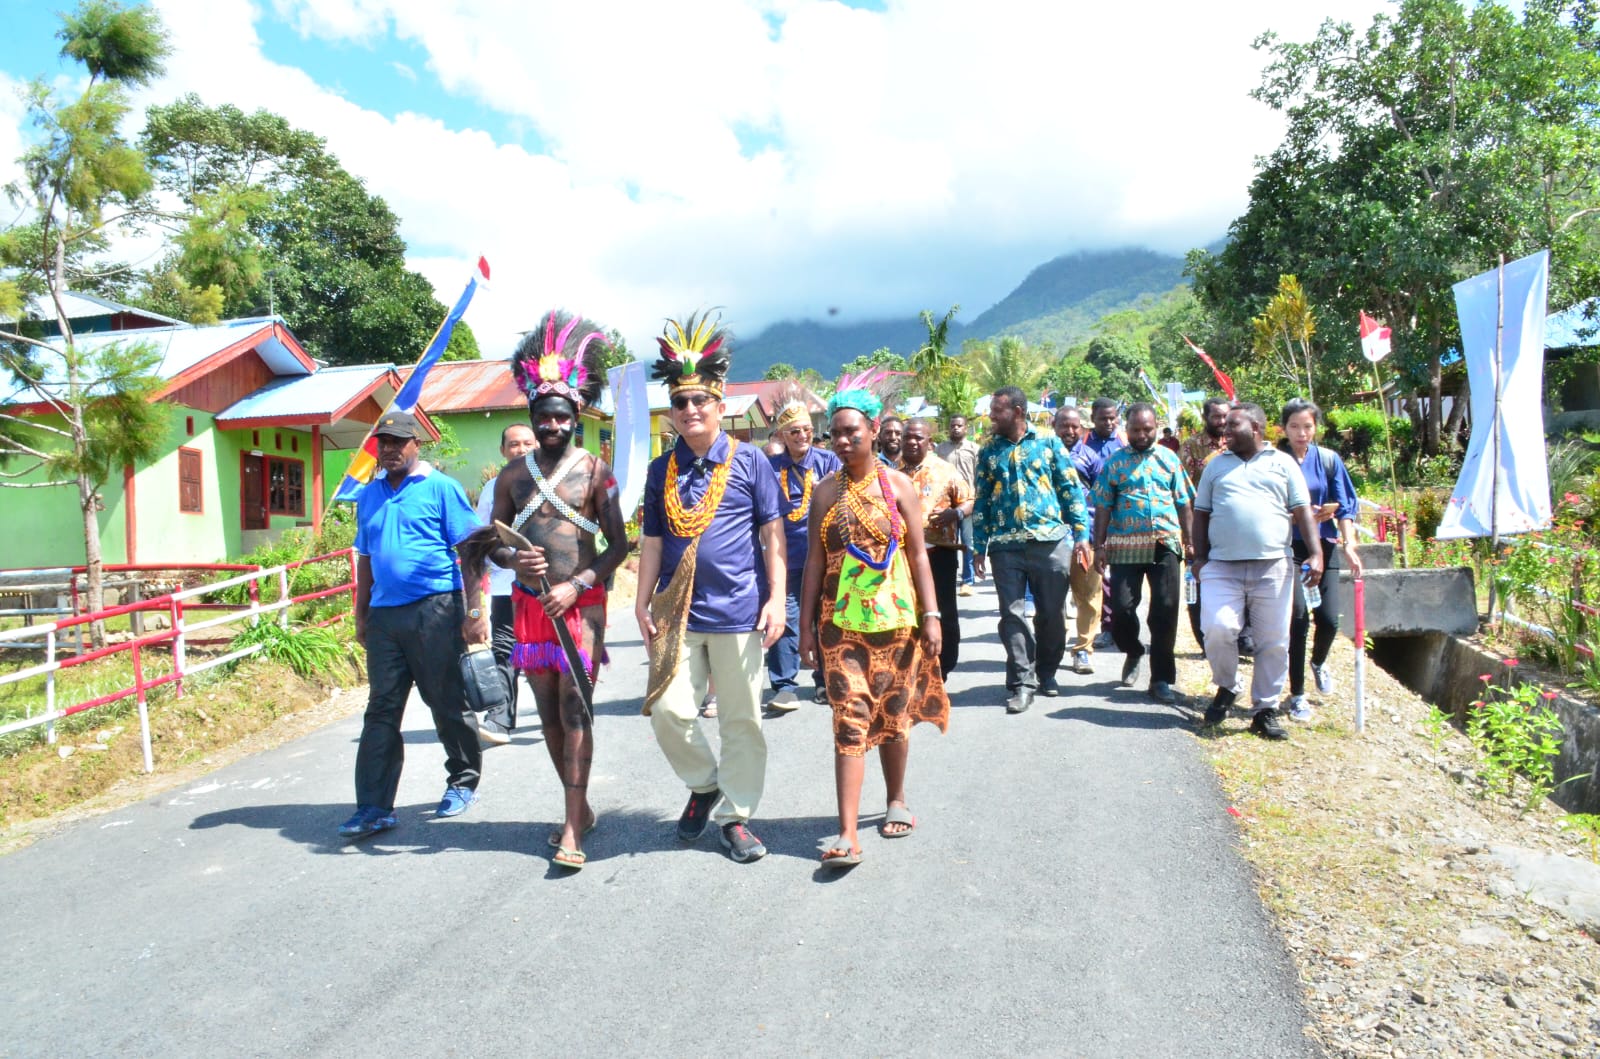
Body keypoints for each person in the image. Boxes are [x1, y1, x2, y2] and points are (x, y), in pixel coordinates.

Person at [462, 312, 627, 869]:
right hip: (532, 609)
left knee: (576, 710)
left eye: (562, 416)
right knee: (549, 715)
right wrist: (516, 559)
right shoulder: (513, 477)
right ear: (532, 418)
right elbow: (491, 542)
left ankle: (571, 830)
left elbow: (618, 546)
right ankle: (577, 809)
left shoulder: (597, 472)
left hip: (583, 609)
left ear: (575, 417)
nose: (553, 424)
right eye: (544, 416)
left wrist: (577, 584)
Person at [635, 312, 786, 864]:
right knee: (669, 711)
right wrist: (640, 599)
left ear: (720, 404)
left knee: (742, 720)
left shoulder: (750, 461)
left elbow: (772, 538)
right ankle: (704, 784)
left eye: (700, 400)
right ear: (670, 412)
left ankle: (736, 816)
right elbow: (652, 541)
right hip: (676, 613)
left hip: (740, 611)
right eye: (680, 403)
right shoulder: (661, 470)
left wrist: (775, 600)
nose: (691, 410)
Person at [799, 389, 949, 868]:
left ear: (872, 429)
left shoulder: (898, 486)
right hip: (838, 625)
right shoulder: (825, 492)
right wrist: (804, 629)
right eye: (836, 433)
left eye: (851, 432)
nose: (842, 441)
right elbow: (814, 563)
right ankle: (847, 833)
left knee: (894, 712)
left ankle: (896, 798)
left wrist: (932, 615)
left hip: (897, 622)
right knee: (849, 716)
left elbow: (919, 555)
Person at [339, 410, 487, 839]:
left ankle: (462, 782)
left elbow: (471, 552)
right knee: (381, 709)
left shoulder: (441, 488)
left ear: (416, 444)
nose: (388, 450)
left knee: (444, 700)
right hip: (386, 618)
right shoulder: (368, 496)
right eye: (382, 443)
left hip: (436, 609)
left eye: (396, 442)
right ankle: (373, 806)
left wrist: (474, 612)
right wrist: (362, 612)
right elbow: (365, 559)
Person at [1193, 403, 1323, 741]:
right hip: (1222, 566)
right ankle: (1227, 684)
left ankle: (1264, 710)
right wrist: (1199, 559)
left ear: (1256, 428)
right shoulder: (1215, 467)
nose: (1225, 430)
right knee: (1218, 629)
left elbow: (1302, 510)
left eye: (1233, 425)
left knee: (1273, 641)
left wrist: (1316, 552)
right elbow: (1201, 514)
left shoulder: (1283, 464)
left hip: (1273, 566)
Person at [972, 386, 1092, 713]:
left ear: (1018, 412)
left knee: (1051, 614)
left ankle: (1047, 672)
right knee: (1012, 615)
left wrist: (1081, 534)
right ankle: (1022, 682)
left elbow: (1070, 491)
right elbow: (981, 500)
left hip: (1050, 542)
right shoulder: (988, 452)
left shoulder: (1050, 445)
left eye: (998, 411)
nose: (992, 416)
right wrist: (978, 546)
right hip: (1005, 546)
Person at [1090, 403, 1193, 704]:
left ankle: (1161, 678)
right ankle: (1133, 649)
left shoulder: (1169, 459)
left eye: (1147, 429)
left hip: (1165, 545)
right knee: (1121, 610)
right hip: (1124, 546)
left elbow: (1184, 501)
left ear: (1156, 427)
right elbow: (1102, 506)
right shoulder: (1115, 463)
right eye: (1135, 430)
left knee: (1164, 611)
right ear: (1127, 428)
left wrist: (1189, 540)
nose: (1142, 435)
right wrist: (1099, 546)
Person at [1279, 398, 1364, 721]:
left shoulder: (1328, 460)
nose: (1302, 433)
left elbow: (1344, 507)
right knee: (1298, 619)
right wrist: (1297, 516)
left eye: (1308, 427)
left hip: (1324, 546)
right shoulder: (1274, 460)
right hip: (1288, 547)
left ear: (1316, 427)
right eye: (1295, 427)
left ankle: (1318, 662)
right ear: (1283, 428)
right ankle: (1297, 694)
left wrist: (1350, 544)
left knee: (1329, 619)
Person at [765, 388, 841, 710]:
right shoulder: (769, 468)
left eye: (807, 430)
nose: (802, 436)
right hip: (786, 558)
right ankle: (784, 686)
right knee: (784, 617)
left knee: (826, 617)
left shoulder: (829, 462)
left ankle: (825, 680)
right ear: (782, 435)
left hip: (825, 556)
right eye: (794, 431)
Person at [472, 423, 537, 746]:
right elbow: (482, 537)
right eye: (513, 444)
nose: (520, 449)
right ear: (502, 451)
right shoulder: (492, 489)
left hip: (547, 588)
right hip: (505, 588)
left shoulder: (555, 484)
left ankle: (565, 716)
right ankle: (499, 720)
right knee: (504, 653)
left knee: (553, 654)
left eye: (527, 443)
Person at [899, 417, 973, 677]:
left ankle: (944, 666)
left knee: (943, 611)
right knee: (908, 611)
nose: (911, 442)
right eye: (907, 437)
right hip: (901, 555)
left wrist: (955, 514)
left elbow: (969, 500)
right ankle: (913, 667)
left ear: (929, 442)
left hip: (939, 553)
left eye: (918, 437)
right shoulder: (890, 473)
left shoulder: (945, 470)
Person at [1181, 396, 1232, 652]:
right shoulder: (1192, 447)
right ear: (1205, 418)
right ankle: (1204, 640)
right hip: (1202, 529)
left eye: (1225, 416)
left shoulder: (1239, 443)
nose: (1222, 422)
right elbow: (1182, 494)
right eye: (1216, 417)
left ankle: (1239, 639)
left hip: (1233, 529)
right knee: (1198, 583)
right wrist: (1188, 536)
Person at [1054, 406, 1100, 675]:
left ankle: (1083, 649)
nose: (1070, 431)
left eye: (1075, 426)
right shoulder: (1042, 454)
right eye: (1064, 426)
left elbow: (1101, 497)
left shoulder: (1090, 458)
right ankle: (1053, 648)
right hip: (1052, 539)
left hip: (1086, 537)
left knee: (1088, 597)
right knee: (1051, 599)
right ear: (1054, 425)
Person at [1079, 397, 1124, 650]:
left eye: (1112, 418)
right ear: (1093, 419)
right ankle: (1107, 626)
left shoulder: (1124, 440)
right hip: (1095, 516)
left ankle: (1122, 622)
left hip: (1123, 516)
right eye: (1103, 418)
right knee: (1101, 572)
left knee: (1121, 573)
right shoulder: (1085, 443)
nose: (1108, 422)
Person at [936, 414, 980, 594]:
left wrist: (977, 499)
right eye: (953, 425)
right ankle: (949, 576)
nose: (955, 428)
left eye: (959, 425)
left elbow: (980, 477)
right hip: (947, 504)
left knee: (968, 541)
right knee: (949, 542)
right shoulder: (940, 450)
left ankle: (967, 580)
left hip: (968, 503)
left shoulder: (975, 450)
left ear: (965, 428)